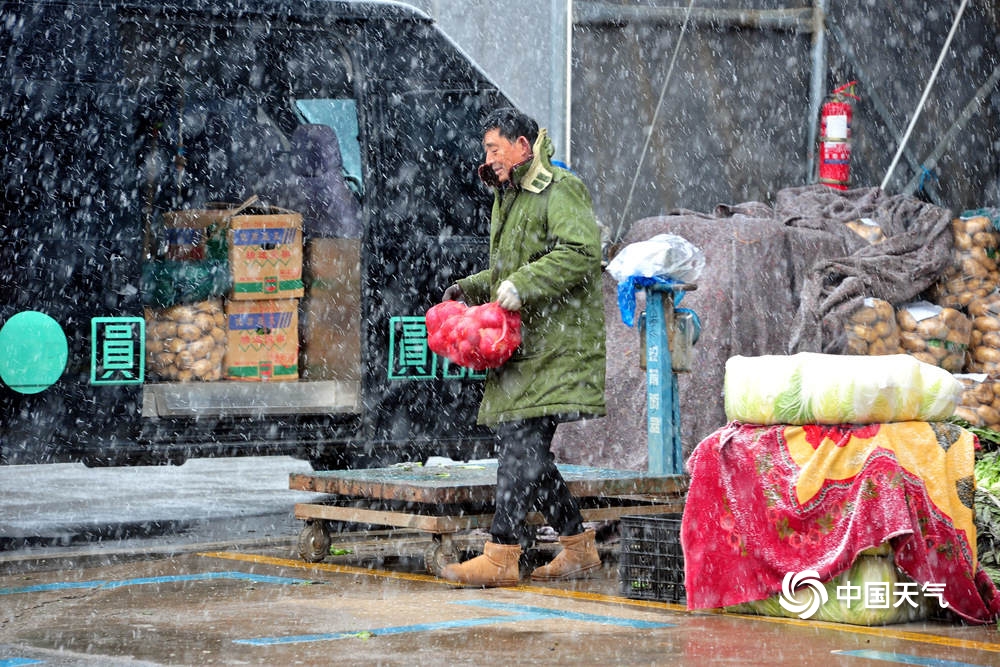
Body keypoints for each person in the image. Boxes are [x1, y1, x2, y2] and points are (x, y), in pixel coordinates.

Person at [439, 108, 607, 587]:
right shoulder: (511, 195)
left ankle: (502, 553)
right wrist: (470, 289)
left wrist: (525, 283)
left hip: (559, 348)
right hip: (530, 347)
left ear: (523, 146)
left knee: (520, 446)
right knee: (529, 451)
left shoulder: (559, 188)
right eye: (486, 150)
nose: (488, 158)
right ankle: (578, 548)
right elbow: (510, 268)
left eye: (495, 148)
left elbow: (581, 253)